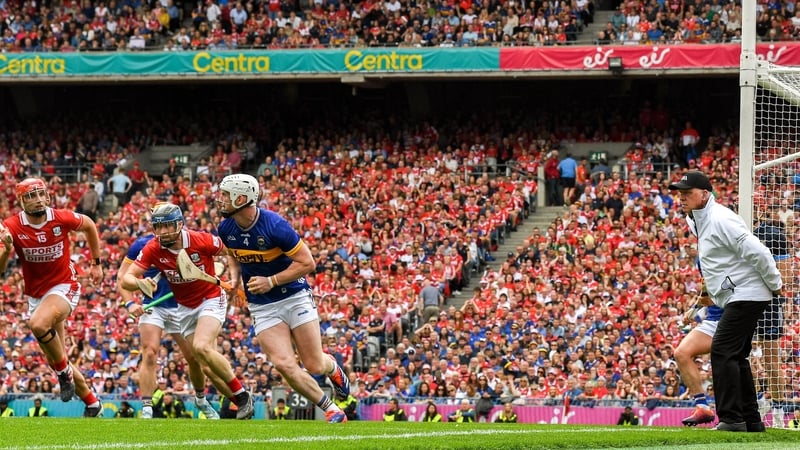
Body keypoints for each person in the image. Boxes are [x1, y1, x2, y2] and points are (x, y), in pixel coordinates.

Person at [214, 174, 348, 424]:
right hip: (262, 306)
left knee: (315, 364)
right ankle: (331, 409)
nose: (220, 200)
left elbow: (307, 263)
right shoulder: (225, 227)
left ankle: (333, 368)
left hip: (294, 296)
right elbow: (233, 254)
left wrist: (271, 281)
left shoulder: (275, 225)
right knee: (284, 365)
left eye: (225, 195)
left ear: (241, 199)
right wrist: (234, 279)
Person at [669, 171, 782, 432]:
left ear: (705, 194)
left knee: (722, 350)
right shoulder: (698, 219)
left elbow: (758, 250)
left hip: (748, 292)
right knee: (737, 355)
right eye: (681, 194)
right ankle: (752, 421)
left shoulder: (721, 219)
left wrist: (775, 283)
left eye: (688, 193)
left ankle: (732, 419)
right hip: (737, 294)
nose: (682, 198)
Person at [120, 202, 254, 420]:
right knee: (197, 356)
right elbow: (126, 278)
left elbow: (232, 250)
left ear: (180, 224)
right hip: (184, 306)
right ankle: (231, 395)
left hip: (210, 298)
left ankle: (240, 396)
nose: (163, 232)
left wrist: (235, 278)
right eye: (159, 227)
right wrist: (140, 284)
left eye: (168, 226)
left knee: (201, 347)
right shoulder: (153, 248)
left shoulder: (199, 239)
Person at [0, 178, 105, 417]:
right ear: (21, 200)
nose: (37, 200)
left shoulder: (60, 217)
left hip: (64, 285)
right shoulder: (11, 226)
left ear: (47, 196)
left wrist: (96, 264)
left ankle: (62, 374)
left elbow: (89, 224)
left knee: (38, 324)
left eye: (40, 194)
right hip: (37, 295)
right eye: (30, 196)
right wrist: (6, 249)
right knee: (57, 357)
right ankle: (92, 403)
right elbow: (0, 270)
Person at [753, 213, 792, 427]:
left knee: (759, 358)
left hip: (756, 302)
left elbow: (784, 278)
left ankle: (769, 407)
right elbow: (784, 278)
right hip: (764, 302)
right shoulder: (775, 234)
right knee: (768, 360)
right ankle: (770, 406)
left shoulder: (770, 235)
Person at [674, 285, 720, 426]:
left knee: (728, 361)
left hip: (735, 317)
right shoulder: (701, 262)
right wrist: (694, 309)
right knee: (681, 353)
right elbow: (706, 292)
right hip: (713, 320)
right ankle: (703, 407)